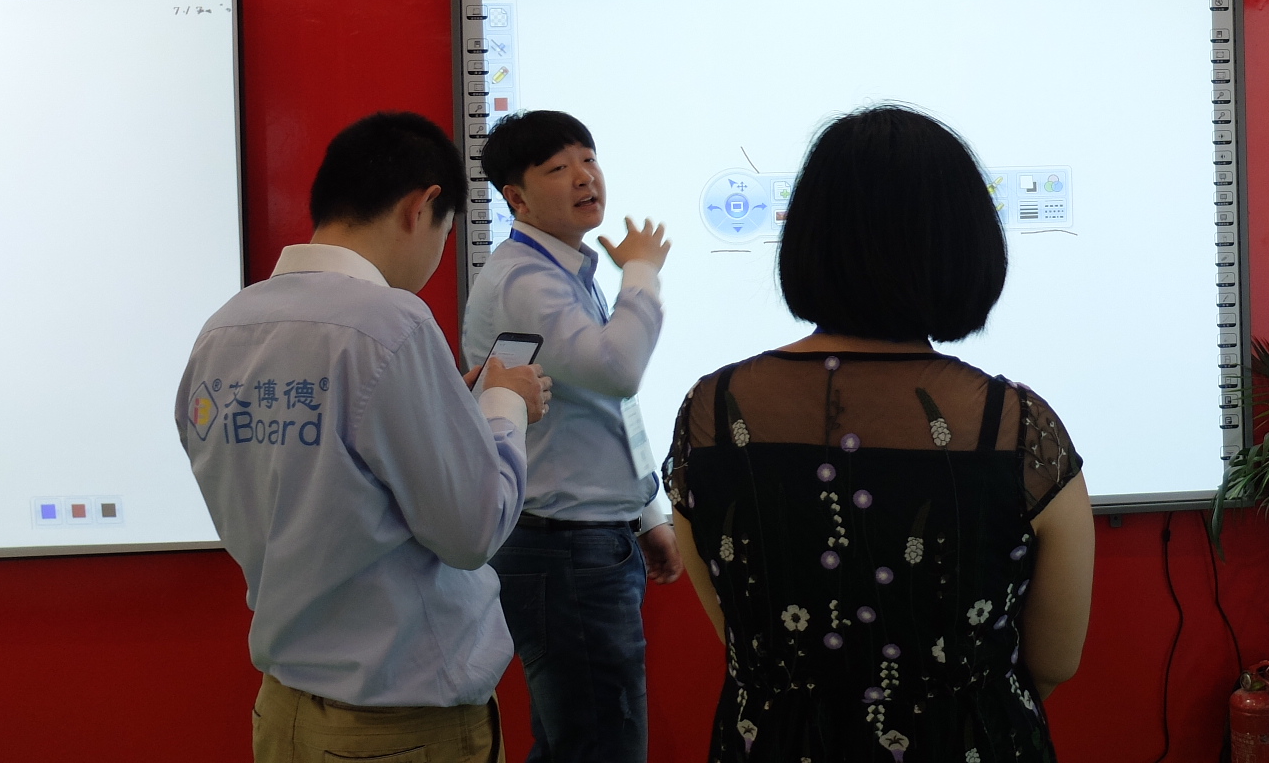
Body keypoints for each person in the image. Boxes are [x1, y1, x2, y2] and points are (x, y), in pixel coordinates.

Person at [663, 105, 1095, 763]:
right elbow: (1056, 661)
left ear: (808, 237)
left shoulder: (712, 412)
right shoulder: (1013, 425)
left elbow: (738, 631)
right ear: (963, 243)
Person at [177, 111, 552, 763]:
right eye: (446, 233)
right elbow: (472, 531)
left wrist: (447, 415)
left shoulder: (223, 328)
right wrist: (503, 406)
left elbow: (318, 478)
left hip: (285, 709)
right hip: (399, 725)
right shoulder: (390, 323)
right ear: (422, 207)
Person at [461, 109, 683, 763]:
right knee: (599, 746)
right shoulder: (525, 281)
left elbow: (607, 403)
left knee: (579, 743)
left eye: (589, 158)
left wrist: (646, 512)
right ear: (517, 198)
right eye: (559, 168)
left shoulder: (563, 271)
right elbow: (617, 369)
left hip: (586, 540)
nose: (585, 176)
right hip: (562, 548)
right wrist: (642, 273)